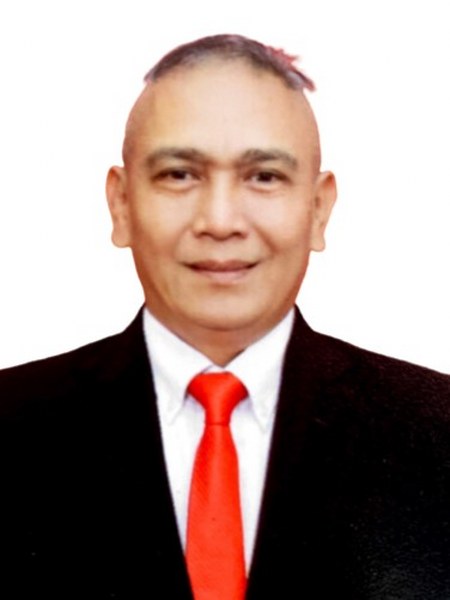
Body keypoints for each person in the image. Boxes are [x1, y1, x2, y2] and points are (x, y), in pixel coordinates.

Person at [0, 34, 449, 600]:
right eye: (179, 175)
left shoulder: (437, 432)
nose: (219, 221)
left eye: (264, 176)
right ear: (121, 204)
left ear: (318, 209)